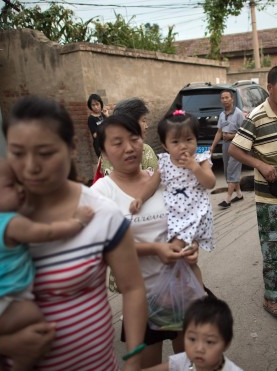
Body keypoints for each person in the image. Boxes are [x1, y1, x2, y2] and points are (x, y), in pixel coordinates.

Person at [0, 96, 147, 371]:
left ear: (70, 147)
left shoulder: (100, 213)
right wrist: (2, 346)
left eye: (45, 153)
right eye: (17, 153)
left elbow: (132, 287)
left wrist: (134, 358)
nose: (30, 166)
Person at [0, 155, 95, 371]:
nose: (20, 189)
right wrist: (77, 221)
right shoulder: (9, 223)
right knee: (37, 320)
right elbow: (46, 233)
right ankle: (21, 365)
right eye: (11, 185)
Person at [91, 113, 200, 368]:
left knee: (189, 362)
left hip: (181, 289)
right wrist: (155, 249)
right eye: (117, 143)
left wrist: (189, 246)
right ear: (104, 153)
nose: (129, 148)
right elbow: (104, 249)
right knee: (149, 365)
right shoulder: (100, 193)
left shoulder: (162, 179)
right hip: (142, 299)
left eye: (134, 139)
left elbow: (185, 222)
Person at [228, 65, 277, 319]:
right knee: (274, 248)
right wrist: (261, 165)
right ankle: (271, 297)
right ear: (270, 87)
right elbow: (235, 150)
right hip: (269, 197)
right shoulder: (257, 117)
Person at [132, 110, 217, 284]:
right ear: (165, 145)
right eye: (175, 142)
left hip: (194, 214)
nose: (183, 146)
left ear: (196, 139)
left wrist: (195, 167)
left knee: (177, 252)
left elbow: (211, 183)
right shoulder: (164, 163)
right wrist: (140, 198)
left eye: (188, 140)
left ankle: (192, 294)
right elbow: (151, 184)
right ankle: (193, 293)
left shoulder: (201, 159)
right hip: (174, 215)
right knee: (187, 259)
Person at [144, 296, 243, 371]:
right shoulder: (184, 360)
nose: (199, 349)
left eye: (209, 342)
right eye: (192, 339)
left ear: (226, 344)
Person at [95, 98, 159, 182]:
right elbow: (155, 184)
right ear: (131, 123)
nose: (146, 126)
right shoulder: (145, 150)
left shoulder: (108, 153)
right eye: (143, 121)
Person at [209, 90, 244, 209]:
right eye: (222, 98)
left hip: (237, 145)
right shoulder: (222, 115)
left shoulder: (238, 114)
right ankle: (239, 195)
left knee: (232, 170)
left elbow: (244, 132)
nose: (225, 100)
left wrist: (231, 136)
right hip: (225, 145)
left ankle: (227, 199)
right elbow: (219, 132)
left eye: (227, 97)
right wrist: (212, 147)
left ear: (232, 99)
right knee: (227, 170)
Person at [87, 93, 107, 158]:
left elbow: (111, 126)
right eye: (93, 105)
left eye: (97, 104)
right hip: (99, 146)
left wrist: (107, 116)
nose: (95, 107)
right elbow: (95, 135)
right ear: (90, 106)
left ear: (101, 104)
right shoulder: (91, 119)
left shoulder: (103, 115)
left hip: (108, 143)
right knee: (106, 165)